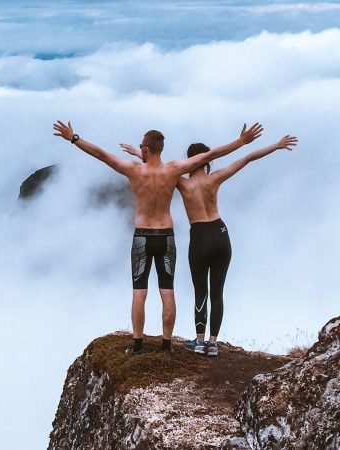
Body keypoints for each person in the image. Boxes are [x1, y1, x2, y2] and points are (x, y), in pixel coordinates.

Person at [52, 120, 263, 355]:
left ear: (145, 148)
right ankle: (166, 345)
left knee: (139, 292)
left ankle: (138, 344)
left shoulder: (133, 170)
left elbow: (101, 154)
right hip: (166, 235)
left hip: (142, 235)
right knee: (167, 291)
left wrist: (74, 138)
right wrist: (240, 142)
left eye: (141, 146)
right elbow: (211, 154)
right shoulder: (173, 170)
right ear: (160, 149)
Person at [125, 134, 298, 357]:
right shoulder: (215, 179)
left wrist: (140, 155)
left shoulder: (182, 182)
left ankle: (198, 342)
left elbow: (157, 174)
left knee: (201, 291)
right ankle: (213, 344)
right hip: (220, 233)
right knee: (218, 292)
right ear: (205, 161)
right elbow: (247, 159)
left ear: (190, 161)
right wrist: (276, 145)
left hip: (200, 236)